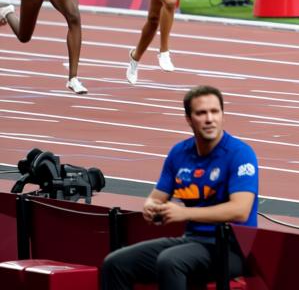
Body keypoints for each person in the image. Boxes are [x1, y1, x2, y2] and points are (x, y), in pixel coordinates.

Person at [99, 86, 258, 290]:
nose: (210, 119)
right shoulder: (179, 153)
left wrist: (184, 213)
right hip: (192, 241)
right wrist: (151, 207)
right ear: (189, 119)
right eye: (201, 113)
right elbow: (157, 197)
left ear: (223, 115)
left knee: (171, 261)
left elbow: (240, 210)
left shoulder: (240, 154)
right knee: (115, 263)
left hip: (231, 249)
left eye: (215, 111)